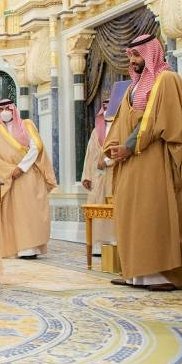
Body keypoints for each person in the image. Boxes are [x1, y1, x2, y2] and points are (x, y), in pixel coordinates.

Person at [103, 34, 182, 291]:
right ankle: (134, 274)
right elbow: (122, 122)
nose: (133, 60)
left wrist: (130, 146)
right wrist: (113, 149)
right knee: (131, 215)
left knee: (153, 214)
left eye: (137, 55)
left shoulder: (167, 79)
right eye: (131, 55)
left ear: (151, 54)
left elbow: (159, 120)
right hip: (130, 162)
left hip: (154, 161)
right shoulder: (133, 88)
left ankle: (162, 276)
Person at [0, 97, 57, 259]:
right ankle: (18, 248)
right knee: (16, 214)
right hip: (10, 177)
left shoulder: (27, 125)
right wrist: (10, 170)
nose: (5, 112)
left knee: (31, 211)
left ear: (14, 109)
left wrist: (22, 167)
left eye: (8, 109)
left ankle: (31, 248)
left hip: (29, 174)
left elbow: (36, 147)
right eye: (2, 110)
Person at [81, 97, 115, 253]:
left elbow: (125, 150)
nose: (107, 108)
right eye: (105, 105)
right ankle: (97, 245)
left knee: (112, 209)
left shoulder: (120, 127)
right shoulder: (96, 130)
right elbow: (90, 155)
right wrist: (86, 176)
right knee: (97, 209)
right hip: (97, 177)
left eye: (110, 104)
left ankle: (113, 242)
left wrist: (107, 161)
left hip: (115, 175)